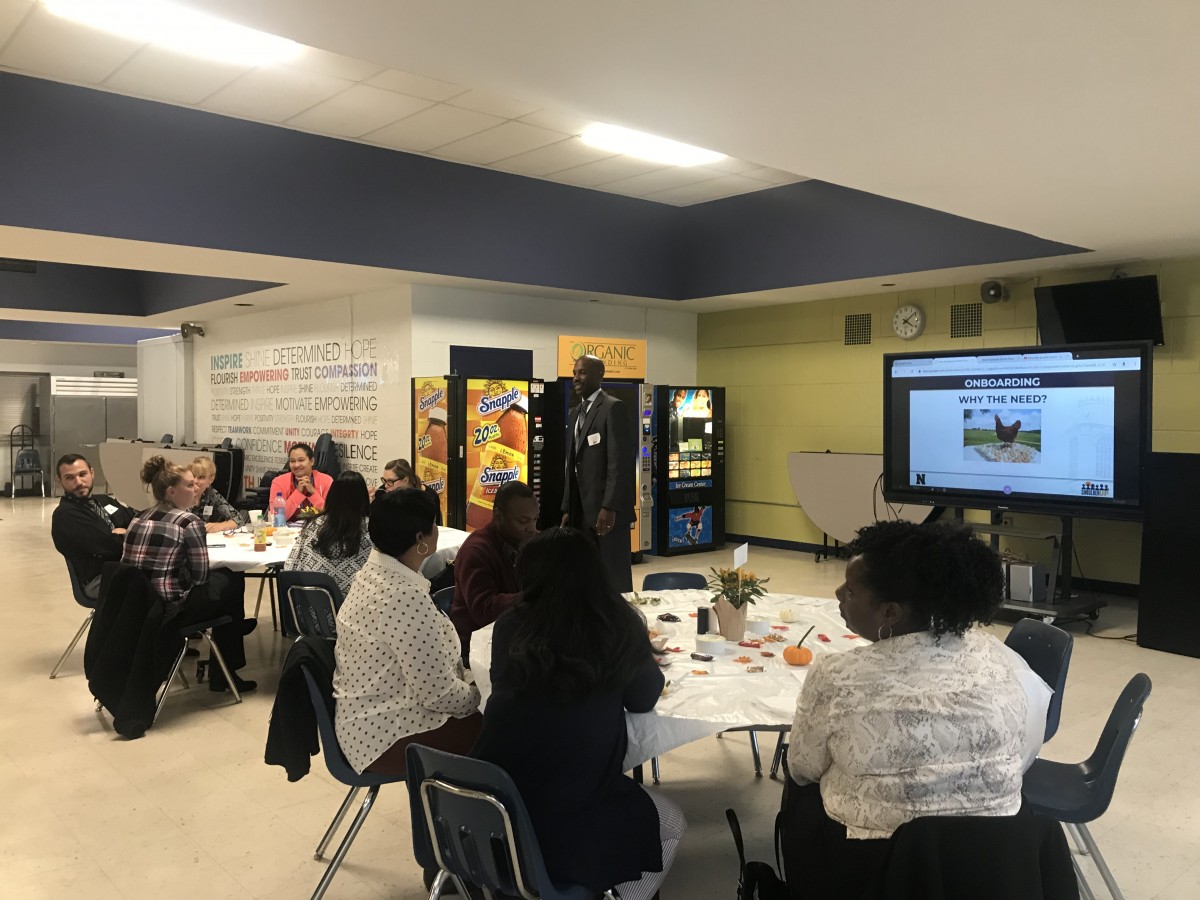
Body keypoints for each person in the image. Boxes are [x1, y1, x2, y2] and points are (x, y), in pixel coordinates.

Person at [781, 520, 1052, 899]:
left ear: (889, 613)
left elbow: (803, 768)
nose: (838, 592)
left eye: (852, 590)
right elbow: (1022, 752)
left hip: (877, 863)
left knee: (798, 787)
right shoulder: (996, 657)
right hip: (995, 860)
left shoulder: (837, 675)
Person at [472, 528, 684, 899]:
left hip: (492, 805)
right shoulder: (615, 624)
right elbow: (642, 698)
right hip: (575, 811)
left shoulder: (511, 625)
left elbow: (506, 695)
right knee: (673, 824)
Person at [333, 488, 481, 776]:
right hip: (387, 735)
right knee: (507, 728)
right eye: (434, 525)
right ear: (421, 539)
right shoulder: (402, 597)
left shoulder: (373, 574)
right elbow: (439, 696)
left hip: (364, 722)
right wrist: (482, 696)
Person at [121, 456, 256, 693]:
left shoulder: (138, 517)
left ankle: (230, 645)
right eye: (190, 485)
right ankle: (225, 671)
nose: (196, 489)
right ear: (172, 491)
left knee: (226, 586)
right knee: (232, 582)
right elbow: (201, 576)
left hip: (139, 605)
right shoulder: (188, 521)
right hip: (171, 609)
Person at [560, 354, 635, 593]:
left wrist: (609, 507)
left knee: (612, 574)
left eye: (582, 372)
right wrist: (566, 507)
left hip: (606, 511)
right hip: (580, 509)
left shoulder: (613, 408)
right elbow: (571, 464)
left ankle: (619, 625)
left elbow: (619, 464)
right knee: (584, 571)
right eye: (574, 373)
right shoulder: (574, 413)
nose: (576, 378)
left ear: (599, 375)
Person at [449, 481, 539, 660]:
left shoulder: (527, 541)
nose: (532, 528)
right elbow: (484, 610)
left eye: (535, 519)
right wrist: (534, 595)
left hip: (515, 633)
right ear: (498, 517)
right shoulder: (476, 551)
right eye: (523, 521)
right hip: (477, 646)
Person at [51, 454, 137, 599]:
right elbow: (111, 546)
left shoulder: (104, 501)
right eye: (70, 478)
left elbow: (135, 521)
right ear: (59, 480)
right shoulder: (66, 515)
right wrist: (125, 534)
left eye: (82, 474)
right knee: (155, 584)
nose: (78, 482)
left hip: (124, 567)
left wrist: (123, 532)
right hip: (99, 579)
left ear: (92, 473)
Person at [283, 470, 373, 598]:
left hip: (312, 607)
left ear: (332, 496)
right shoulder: (370, 528)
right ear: (363, 498)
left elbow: (290, 565)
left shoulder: (315, 524)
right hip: (355, 609)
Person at [269, 443, 333, 521]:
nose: (296, 465)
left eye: (301, 460)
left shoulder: (327, 480)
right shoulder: (279, 482)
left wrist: (313, 492)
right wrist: (298, 492)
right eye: (292, 461)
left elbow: (330, 515)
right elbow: (277, 518)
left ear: (312, 461)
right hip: (287, 531)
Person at [370, 457, 443, 525]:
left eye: (390, 481)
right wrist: (372, 504)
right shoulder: (382, 492)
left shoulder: (428, 497)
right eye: (384, 480)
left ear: (406, 480)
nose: (386, 485)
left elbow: (433, 529)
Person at [188, 456, 241, 533]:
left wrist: (219, 526)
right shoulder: (182, 493)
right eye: (193, 476)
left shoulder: (211, 494)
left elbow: (238, 519)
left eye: (201, 477)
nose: (195, 481)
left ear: (211, 479)